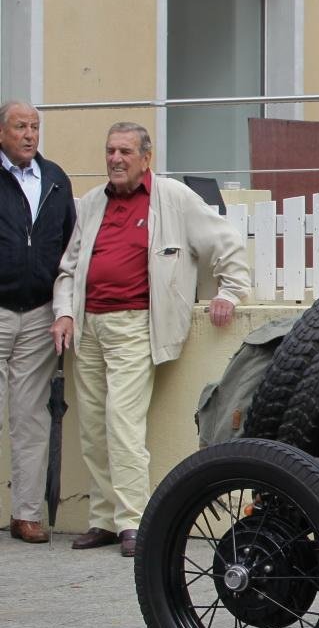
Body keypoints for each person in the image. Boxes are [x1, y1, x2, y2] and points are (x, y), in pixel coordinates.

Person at [51, 123, 250, 556]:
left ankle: (132, 521)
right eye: (110, 150)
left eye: (125, 151)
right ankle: (104, 519)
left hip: (134, 324)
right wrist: (64, 312)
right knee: (92, 429)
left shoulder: (172, 197)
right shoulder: (92, 202)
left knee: (121, 422)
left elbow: (225, 240)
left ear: (146, 158)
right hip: (88, 326)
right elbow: (69, 269)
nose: (115, 159)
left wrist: (230, 292)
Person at [0, 101, 75, 543]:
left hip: (38, 314)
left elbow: (70, 245)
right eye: (20, 126)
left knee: (31, 418)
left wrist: (63, 306)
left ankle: (26, 514)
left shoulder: (55, 179)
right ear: (2, 132)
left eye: (34, 126)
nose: (29, 134)